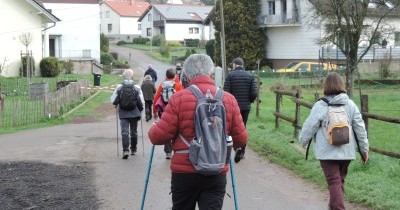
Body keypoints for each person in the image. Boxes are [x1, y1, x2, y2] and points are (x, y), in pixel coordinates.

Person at [148, 54, 247, 210]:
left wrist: (154, 128)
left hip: (184, 173)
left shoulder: (178, 99)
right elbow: (241, 140)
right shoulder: (228, 99)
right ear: (211, 74)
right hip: (216, 171)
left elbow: (159, 137)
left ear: (186, 75)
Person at [299, 72, 369, 210]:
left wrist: (303, 140)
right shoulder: (350, 104)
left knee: (334, 182)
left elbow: (310, 126)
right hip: (346, 151)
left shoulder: (321, 105)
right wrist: (364, 149)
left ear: (326, 86)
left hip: (327, 152)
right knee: (338, 182)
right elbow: (360, 128)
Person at [223, 57, 258, 163]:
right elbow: (254, 93)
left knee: (229, 127)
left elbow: (226, 92)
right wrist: (249, 101)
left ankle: (232, 148)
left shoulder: (230, 75)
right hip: (245, 107)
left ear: (234, 64)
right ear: (242, 65)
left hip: (232, 107)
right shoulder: (251, 76)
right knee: (242, 127)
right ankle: (241, 150)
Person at [111, 69, 144, 159]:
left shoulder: (119, 87)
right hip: (134, 113)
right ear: (132, 76)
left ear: (124, 76)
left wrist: (117, 103)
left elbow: (113, 100)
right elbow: (141, 101)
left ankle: (125, 150)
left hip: (123, 113)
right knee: (134, 132)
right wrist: (141, 109)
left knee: (124, 132)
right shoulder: (136, 87)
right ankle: (133, 149)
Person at [153, 68, 183, 159]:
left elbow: (156, 98)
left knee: (166, 130)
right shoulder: (178, 85)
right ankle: (177, 150)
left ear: (166, 76)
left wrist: (154, 111)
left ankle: (168, 152)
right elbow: (182, 98)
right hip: (176, 111)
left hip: (164, 112)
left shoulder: (162, 85)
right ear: (175, 76)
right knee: (177, 130)